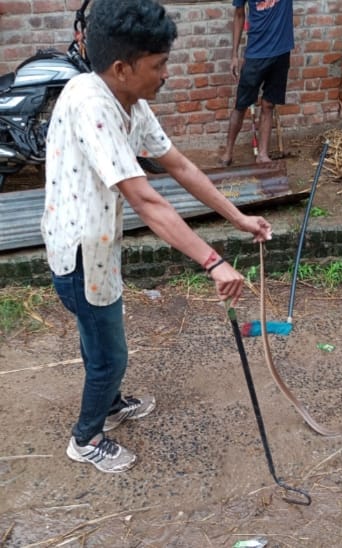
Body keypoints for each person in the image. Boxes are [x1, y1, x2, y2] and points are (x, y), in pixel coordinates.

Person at [41, 0, 272, 473]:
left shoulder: (131, 102)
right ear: (123, 68)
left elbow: (181, 166)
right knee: (109, 354)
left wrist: (239, 218)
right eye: (159, 64)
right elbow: (147, 200)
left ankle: (109, 403)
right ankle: (85, 438)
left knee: (100, 343)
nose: (167, 73)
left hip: (98, 247)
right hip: (81, 256)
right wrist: (213, 262)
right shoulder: (92, 105)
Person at [220, 0, 294, 166]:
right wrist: (234, 55)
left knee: (268, 105)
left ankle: (262, 154)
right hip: (256, 54)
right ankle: (228, 152)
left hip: (281, 52)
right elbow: (239, 15)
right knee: (241, 105)